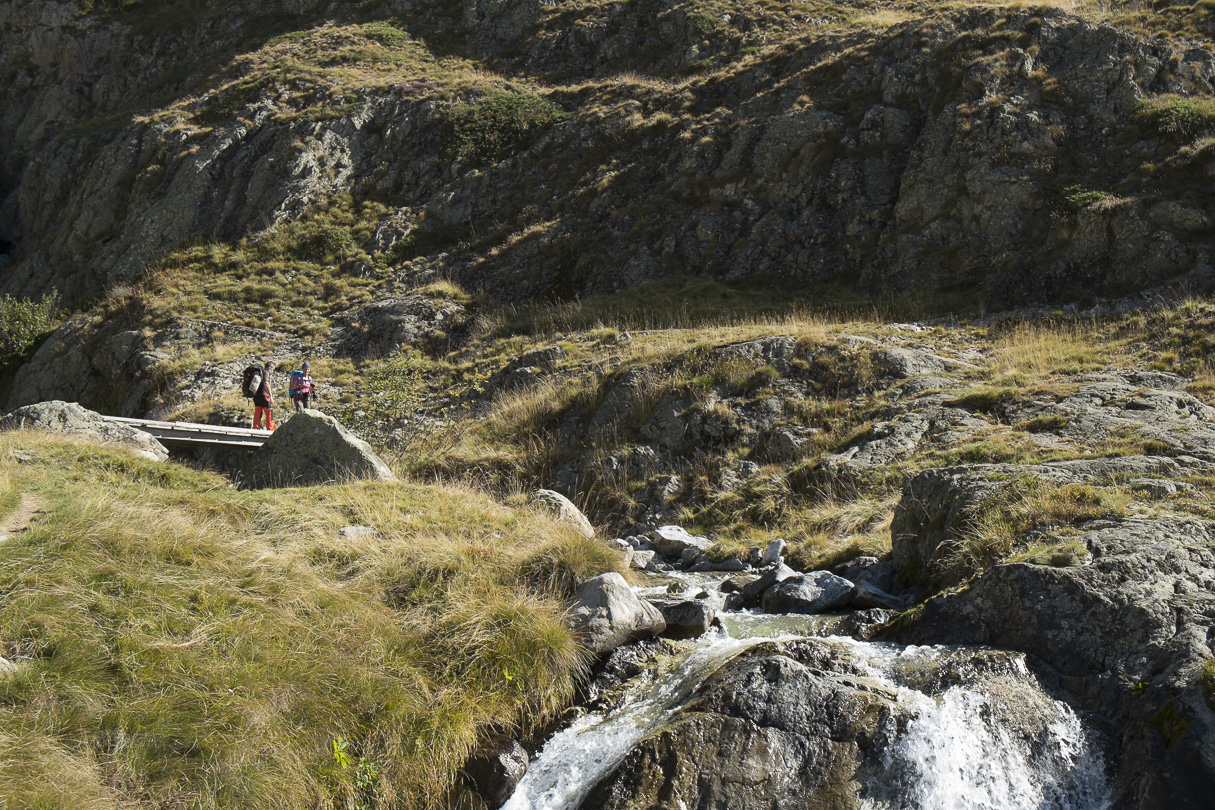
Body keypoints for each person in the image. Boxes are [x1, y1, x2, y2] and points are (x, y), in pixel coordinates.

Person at [253, 360, 276, 431]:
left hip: (256, 396)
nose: (272, 371)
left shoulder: (259, 373)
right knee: (269, 411)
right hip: (264, 395)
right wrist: (271, 396)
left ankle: (255, 429)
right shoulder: (266, 372)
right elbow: (266, 383)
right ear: (270, 367)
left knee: (258, 412)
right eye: (273, 369)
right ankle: (270, 429)